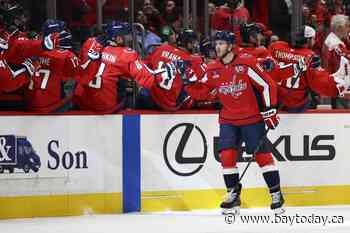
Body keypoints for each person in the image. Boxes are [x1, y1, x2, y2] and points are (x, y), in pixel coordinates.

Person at [189, 31, 284, 214]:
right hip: (228, 120)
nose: (217, 47)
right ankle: (233, 195)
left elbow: (267, 85)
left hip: (252, 118)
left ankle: (276, 193)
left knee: (262, 156)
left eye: (222, 43)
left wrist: (270, 111)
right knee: (226, 157)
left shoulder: (246, 62)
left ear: (231, 46)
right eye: (216, 43)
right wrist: (188, 83)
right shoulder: (213, 68)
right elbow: (203, 92)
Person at [74, 21, 176, 113]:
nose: (128, 38)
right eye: (125, 35)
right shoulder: (126, 54)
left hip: (82, 101)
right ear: (118, 38)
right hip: (107, 107)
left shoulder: (89, 43)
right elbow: (147, 79)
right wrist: (167, 73)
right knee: (138, 94)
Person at [270, 25, 350, 112]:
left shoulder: (276, 47)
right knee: (312, 97)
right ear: (308, 40)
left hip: (274, 101)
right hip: (295, 104)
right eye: (313, 38)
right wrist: (339, 88)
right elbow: (321, 84)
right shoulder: (309, 56)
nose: (314, 41)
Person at [141, 29, 206, 111]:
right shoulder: (191, 60)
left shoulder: (161, 49)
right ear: (189, 44)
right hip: (170, 103)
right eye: (194, 43)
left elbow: (145, 66)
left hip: (150, 96)